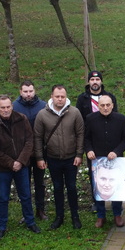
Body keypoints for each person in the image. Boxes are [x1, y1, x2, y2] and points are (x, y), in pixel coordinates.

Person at [0, 95, 39, 239]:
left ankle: (30, 221)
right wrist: (10, 163)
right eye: (3, 107)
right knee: (2, 198)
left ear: (12, 106)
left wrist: (20, 161)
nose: (6, 110)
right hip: (2, 168)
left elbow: (29, 141)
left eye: (8, 107)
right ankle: (1, 227)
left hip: (22, 165)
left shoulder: (22, 119)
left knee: (25, 195)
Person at [34, 85, 85, 230]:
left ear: (66, 96)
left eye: (62, 96)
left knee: (72, 187)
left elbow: (80, 134)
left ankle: (75, 216)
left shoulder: (75, 112)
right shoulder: (42, 115)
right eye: (57, 96)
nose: (60, 99)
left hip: (71, 158)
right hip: (53, 158)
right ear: (52, 96)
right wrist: (39, 157)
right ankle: (59, 216)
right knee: (57, 187)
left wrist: (79, 154)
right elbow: (37, 137)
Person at [75, 70, 119, 218]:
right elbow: (79, 119)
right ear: (89, 82)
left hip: (110, 140)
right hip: (92, 140)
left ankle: (115, 203)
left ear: (101, 81)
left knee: (112, 174)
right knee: (95, 173)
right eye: (92, 79)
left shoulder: (109, 96)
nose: (95, 82)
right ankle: (96, 201)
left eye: (97, 79)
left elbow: (116, 116)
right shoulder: (82, 98)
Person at [84, 95, 125, 228]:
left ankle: (117, 214)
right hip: (97, 159)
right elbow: (86, 139)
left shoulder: (121, 119)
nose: (105, 108)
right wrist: (89, 150)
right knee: (98, 186)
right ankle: (101, 216)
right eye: (102, 105)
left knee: (116, 186)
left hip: (116, 159)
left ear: (112, 105)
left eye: (108, 105)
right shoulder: (90, 119)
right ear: (98, 106)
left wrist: (116, 151)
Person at [13, 80, 48, 221]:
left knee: (40, 182)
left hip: (40, 151)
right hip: (22, 153)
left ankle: (40, 209)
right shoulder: (14, 107)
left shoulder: (44, 106)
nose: (28, 94)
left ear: (34, 91)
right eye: (25, 91)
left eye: (31, 91)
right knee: (24, 183)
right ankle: (26, 212)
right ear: (20, 92)